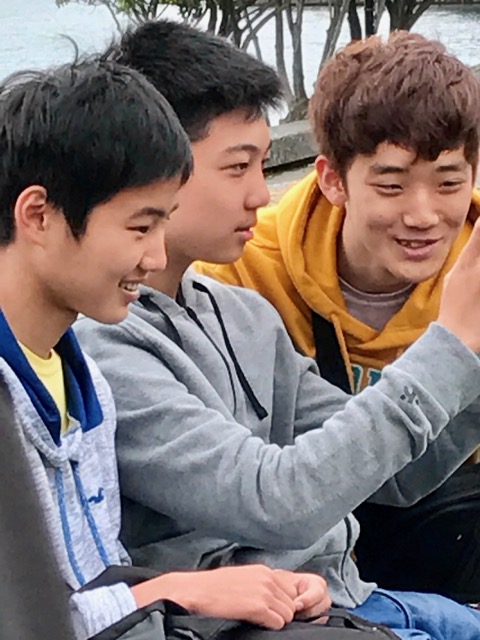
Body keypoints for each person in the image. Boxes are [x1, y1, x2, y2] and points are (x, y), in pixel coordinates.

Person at [76, 21, 480, 640]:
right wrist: (452, 344)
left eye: (263, 165)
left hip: (348, 596)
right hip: (259, 623)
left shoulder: (241, 314)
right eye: (238, 167)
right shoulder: (105, 343)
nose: (263, 195)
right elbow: (274, 500)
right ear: (154, 166)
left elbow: (391, 476)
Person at [0, 57, 331, 640]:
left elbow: (96, 584)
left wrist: (255, 587)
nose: (155, 257)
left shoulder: (82, 380)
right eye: (139, 227)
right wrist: (172, 590)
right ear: (38, 216)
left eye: (162, 226)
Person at [196, 31, 480, 596]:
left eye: (449, 183)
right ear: (332, 179)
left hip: (445, 516)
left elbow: (410, 478)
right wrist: (457, 344)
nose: (423, 215)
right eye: (391, 186)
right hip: (297, 544)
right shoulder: (242, 272)